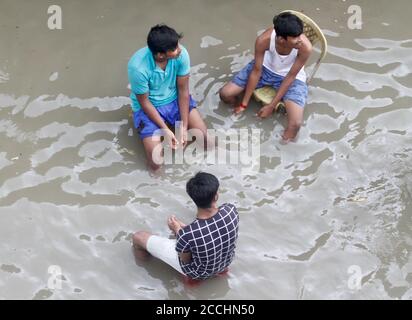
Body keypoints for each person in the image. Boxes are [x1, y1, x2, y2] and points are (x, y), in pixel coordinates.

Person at [219, 12, 312, 142]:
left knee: (295, 124)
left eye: (300, 35)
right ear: (281, 39)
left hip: (292, 77)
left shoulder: (305, 47)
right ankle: (237, 107)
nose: (300, 40)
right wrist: (243, 105)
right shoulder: (264, 40)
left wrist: (271, 106)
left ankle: (283, 147)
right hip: (265, 69)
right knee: (225, 94)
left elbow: (290, 77)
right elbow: (257, 70)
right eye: (295, 37)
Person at [128, 24, 208, 171]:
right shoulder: (138, 68)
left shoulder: (181, 54)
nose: (179, 50)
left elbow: (183, 90)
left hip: (174, 99)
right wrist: (165, 129)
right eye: (174, 49)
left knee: (204, 138)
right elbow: (144, 103)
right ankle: (157, 183)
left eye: (177, 44)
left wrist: (183, 126)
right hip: (148, 106)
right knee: (155, 161)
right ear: (160, 55)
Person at [132, 172, 239, 280]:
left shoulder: (187, 234)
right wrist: (185, 231)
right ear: (216, 196)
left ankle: (142, 272)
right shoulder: (231, 210)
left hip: (198, 273)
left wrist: (178, 230)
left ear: (193, 198)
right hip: (225, 262)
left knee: (138, 237)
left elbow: (185, 260)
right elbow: (212, 229)